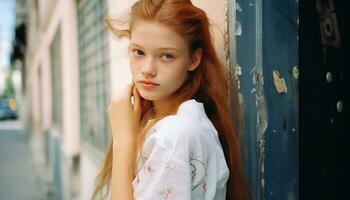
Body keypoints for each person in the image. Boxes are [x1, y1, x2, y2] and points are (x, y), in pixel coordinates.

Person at [92, 0, 250, 199]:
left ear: (193, 60)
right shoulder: (165, 121)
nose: (147, 69)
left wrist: (123, 140)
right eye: (138, 52)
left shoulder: (173, 137)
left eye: (167, 55)